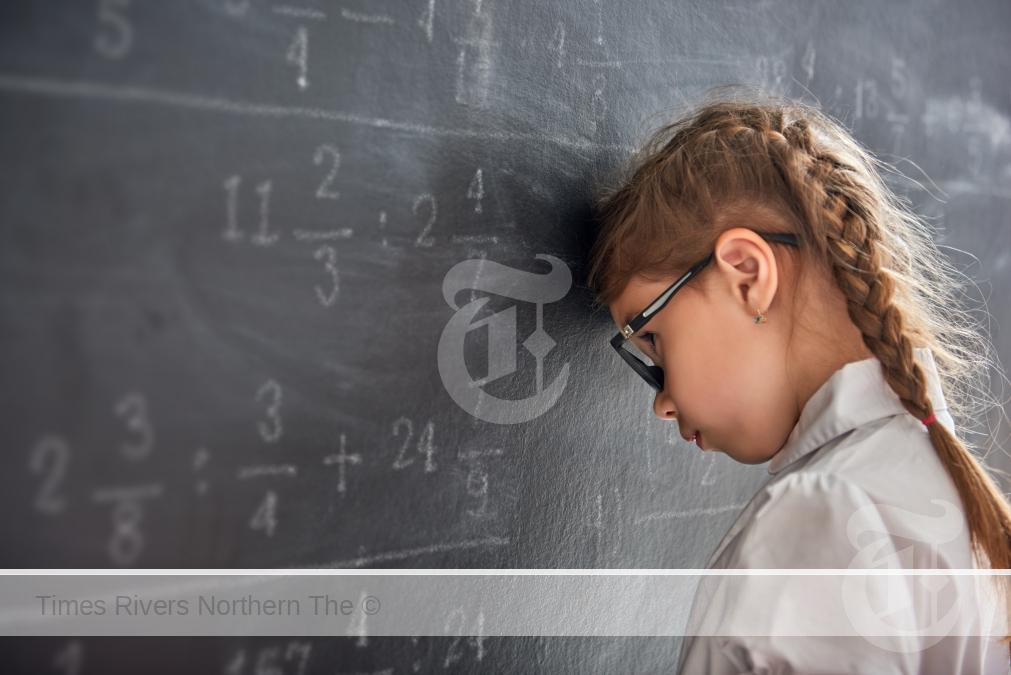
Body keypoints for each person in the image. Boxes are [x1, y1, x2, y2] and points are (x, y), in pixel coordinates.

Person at [586, 86, 1011, 673]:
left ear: (746, 275)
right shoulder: (936, 484)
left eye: (652, 338)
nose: (661, 402)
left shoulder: (823, 516)